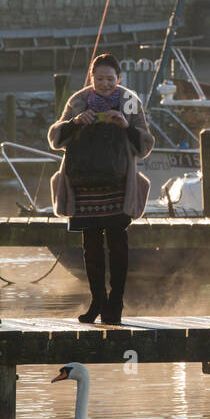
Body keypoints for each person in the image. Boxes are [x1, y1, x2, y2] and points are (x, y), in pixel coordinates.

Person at [48, 53, 155, 325]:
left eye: (110, 79)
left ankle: (115, 303)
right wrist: (74, 123)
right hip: (83, 184)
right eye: (99, 79)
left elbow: (145, 144)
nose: (105, 84)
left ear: (119, 79)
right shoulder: (78, 100)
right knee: (91, 246)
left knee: (118, 244)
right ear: (91, 78)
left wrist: (126, 125)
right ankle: (96, 301)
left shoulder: (130, 100)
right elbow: (55, 139)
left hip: (118, 184)